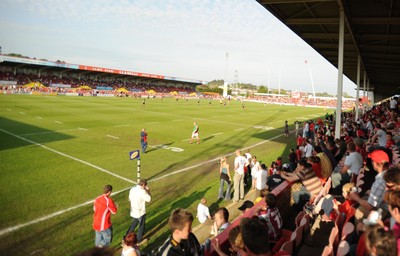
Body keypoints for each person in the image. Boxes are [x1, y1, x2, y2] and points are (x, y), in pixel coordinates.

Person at [126, 179, 151, 243]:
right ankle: (139, 239)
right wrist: (148, 191)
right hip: (140, 212)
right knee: (141, 226)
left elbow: (129, 199)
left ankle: (127, 235)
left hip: (134, 211)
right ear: (143, 185)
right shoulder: (142, 191)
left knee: (134, 224)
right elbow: (149, 199)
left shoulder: (132, 189)